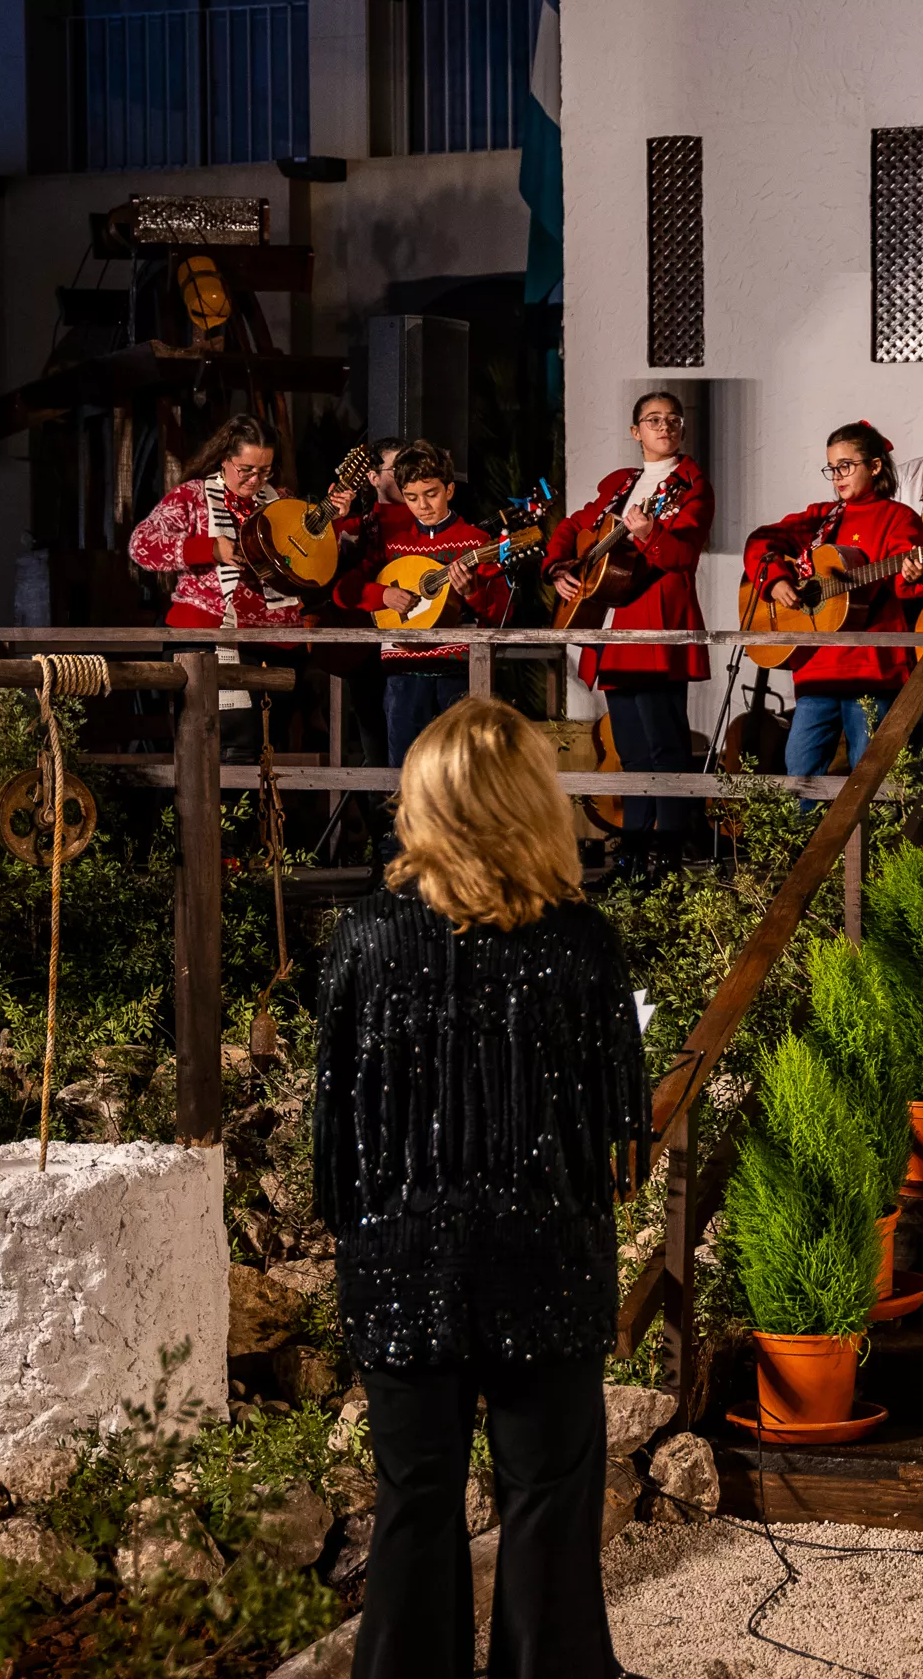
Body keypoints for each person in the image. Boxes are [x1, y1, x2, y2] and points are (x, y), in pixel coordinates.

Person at [310, 697, 646, 1679]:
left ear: (424, 802)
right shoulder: (582, 944)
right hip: (544, 1254)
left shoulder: (365, 939)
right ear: (533, 803)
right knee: (549, 1500)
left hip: (404, 1260)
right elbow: (604, 1122)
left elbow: (342, 1123)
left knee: (415, 1499)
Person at [547, 390, 714, 876]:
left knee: (666, 744)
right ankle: (634, 850)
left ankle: (669, 847)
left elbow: (683, 555)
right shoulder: (620, 483)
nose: (665, 426)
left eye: (673, 419)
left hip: (657, 621)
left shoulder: (691, 483)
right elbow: (574, 526)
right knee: (630, 747)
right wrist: (559, 567)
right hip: (613, 624)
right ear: (635, 431)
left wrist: (647, 535)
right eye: (653, 419)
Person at [127, 415, 342, 751]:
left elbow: (310, 559)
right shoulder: (193, 497)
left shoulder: (281, 501)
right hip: (211, 639)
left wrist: (332, 521)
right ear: (225, 460)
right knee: (227, 744)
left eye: (264, 471)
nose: (255, 480)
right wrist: (208, 548)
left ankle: (265, 806)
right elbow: (141, 545)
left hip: (275, 644)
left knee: (273, 746)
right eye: (246, 470)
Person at [746, 422, 923, 789]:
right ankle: (802, 845)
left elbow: (907, 587)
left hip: (871, 668)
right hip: (817, 667)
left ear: (875, 466)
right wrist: (777, 580)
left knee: (872, 776)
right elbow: (760, 540)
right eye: (832, 468)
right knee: (800, 770)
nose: (837, 477)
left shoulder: (899, 518)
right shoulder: (822, 517)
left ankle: (870, 847)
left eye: (846, 466)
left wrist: (911, 575)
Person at [333, 440, 509, 767]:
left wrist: (471, 593)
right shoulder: (392, 542)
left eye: (432, 494)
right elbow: (344, 590)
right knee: (404, 772)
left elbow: (499, 611)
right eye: (411, 497)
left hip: (455, 671)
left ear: (450, 490)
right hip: (401, 672)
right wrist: (382, 595)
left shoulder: (475, 541)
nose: (423, 505)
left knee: (457, 770)